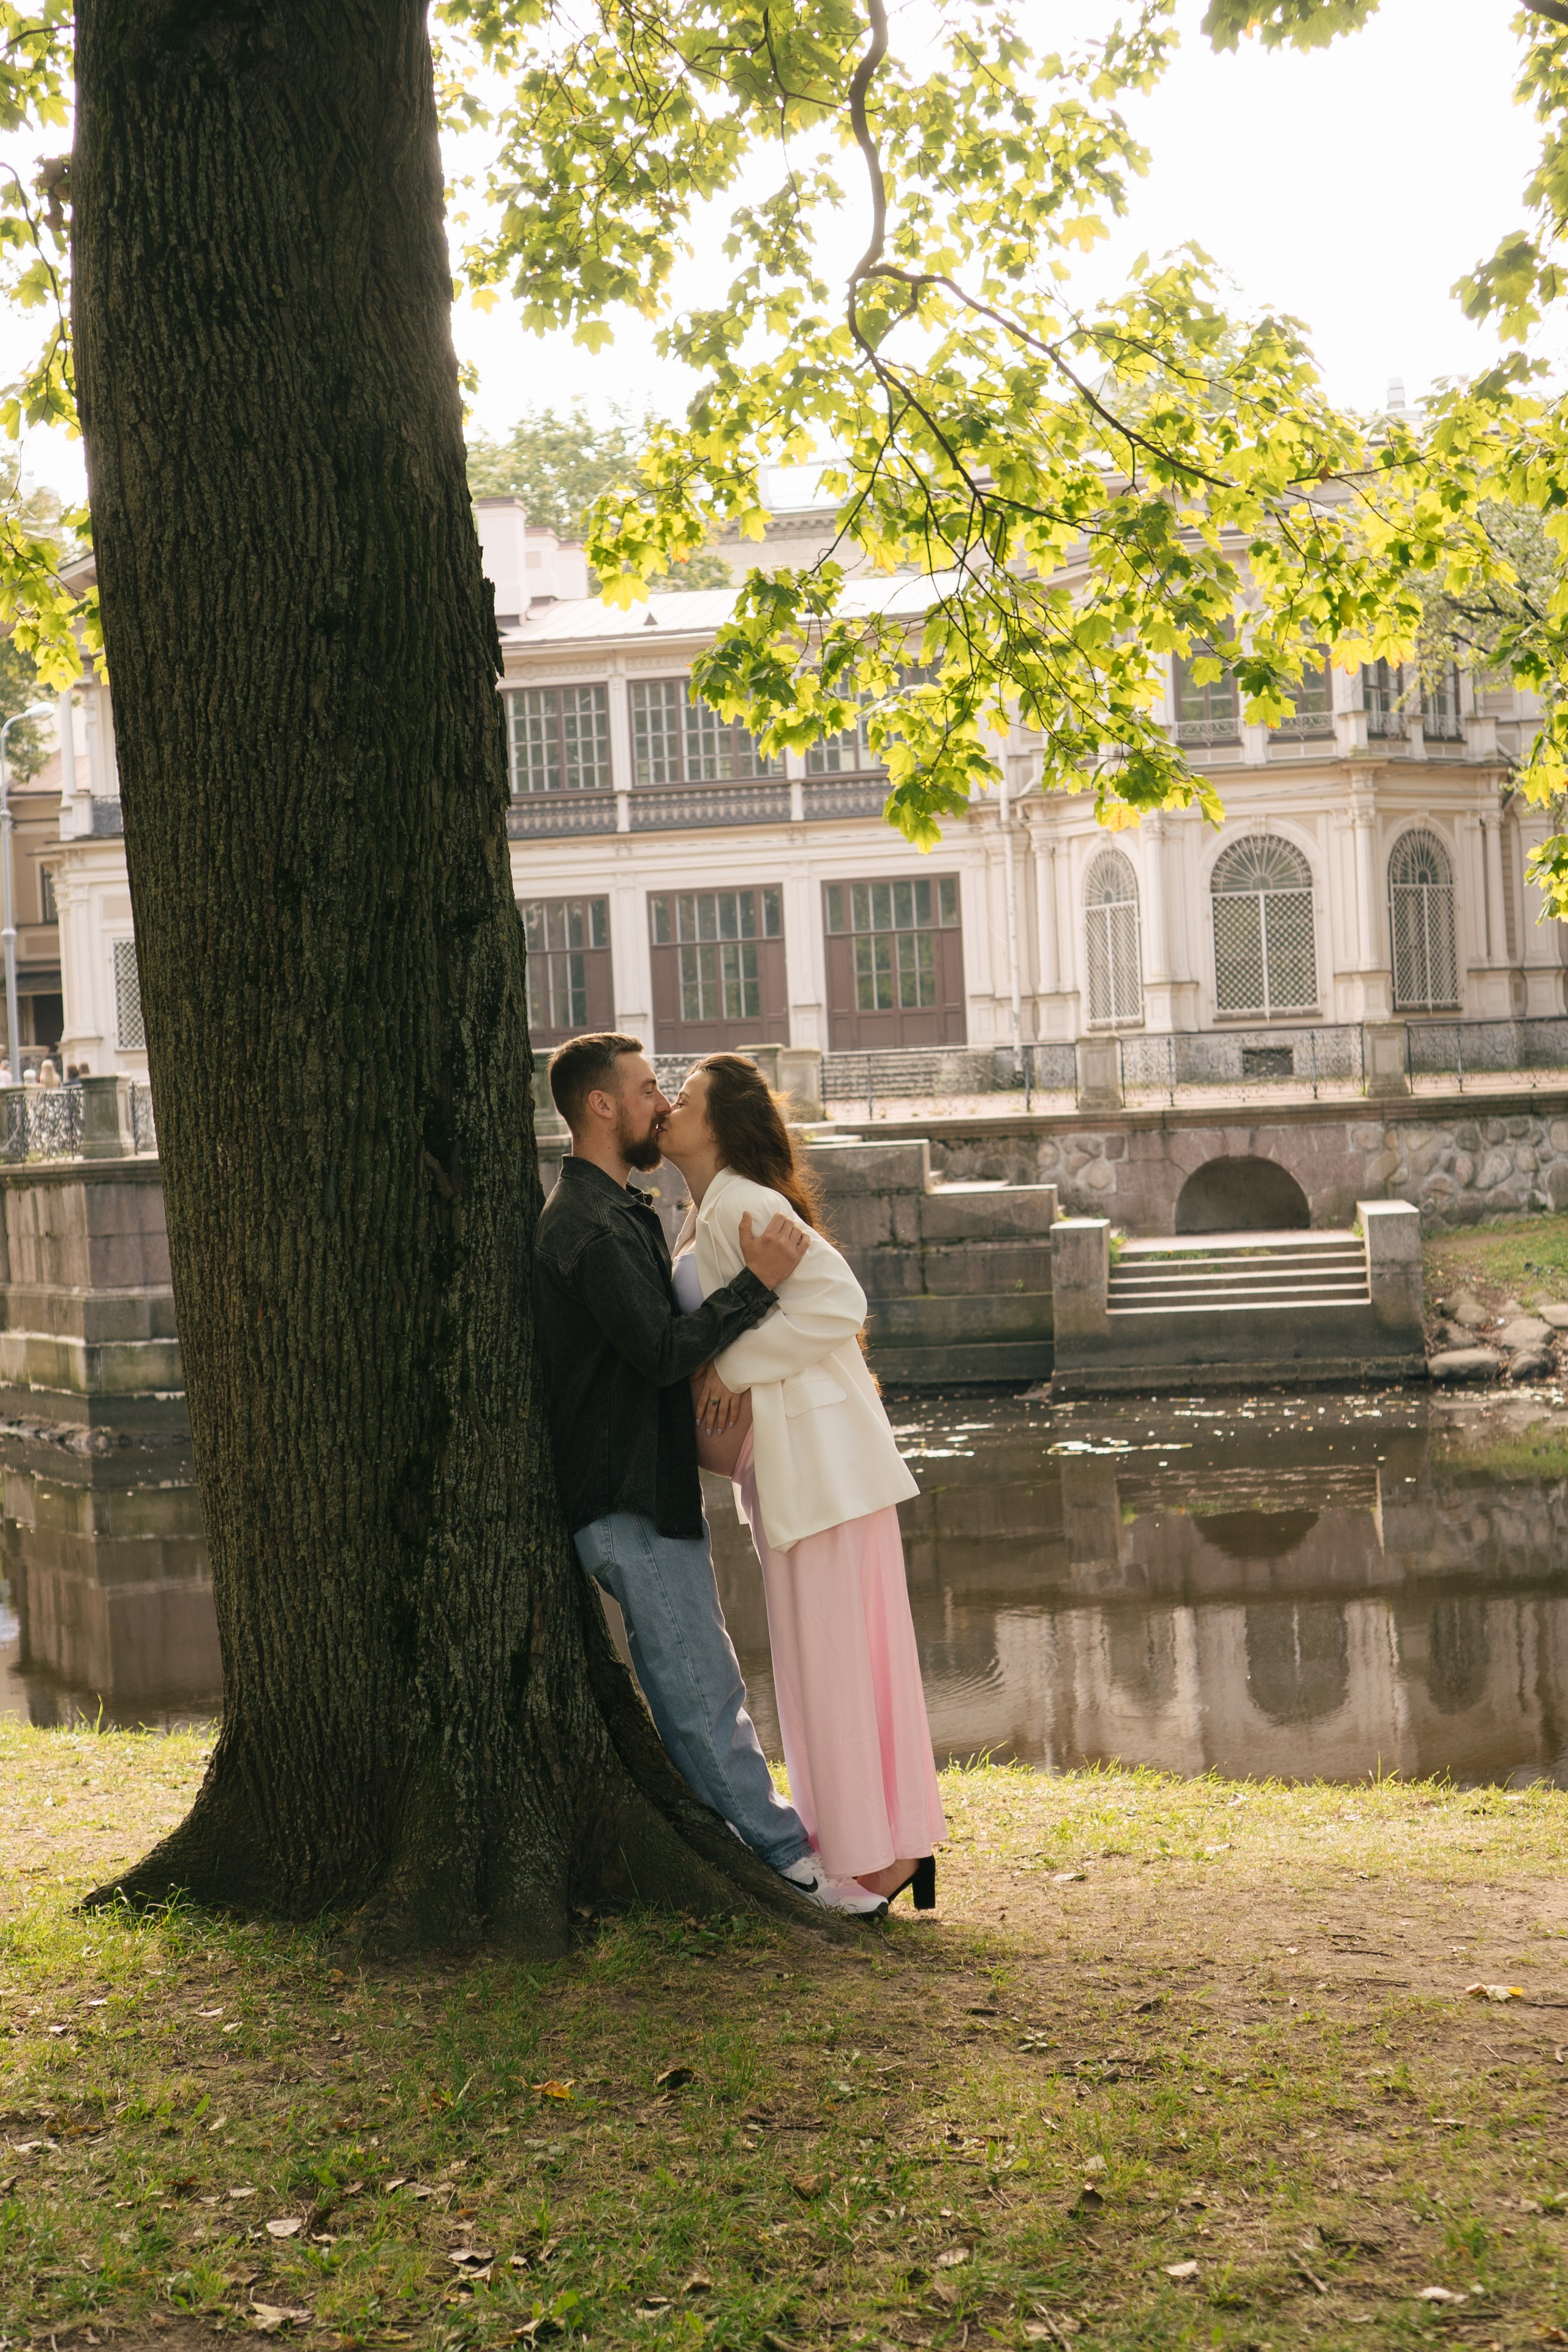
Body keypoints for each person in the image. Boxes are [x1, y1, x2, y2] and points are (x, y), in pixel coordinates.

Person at [532, 1031, 887, 1917]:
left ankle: (770, 1846)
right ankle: (790, 1867)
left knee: (700, 1680)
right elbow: (658, 1350)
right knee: (699, 1688)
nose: (661, 1102)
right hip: (624, 1497)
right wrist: (755, 1289)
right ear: (604, 1106)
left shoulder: (622, 1212)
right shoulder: (586, 1222)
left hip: (648, 1491)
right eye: (650, 1088)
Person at [658, 1054, 946, 1910]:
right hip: (795, 1470)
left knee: (837, 1660)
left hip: (817, 1467)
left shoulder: (745, 1203)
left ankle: (875, 1859)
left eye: (686, 1099)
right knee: (839, 1657)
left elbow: (838, 1303)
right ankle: (882, 1846)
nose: (670, 1108)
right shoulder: (710, 1210)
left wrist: (730, 1372)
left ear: (720, 1123)